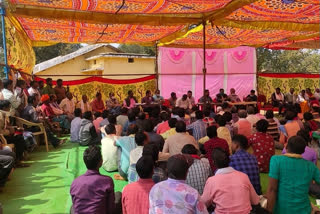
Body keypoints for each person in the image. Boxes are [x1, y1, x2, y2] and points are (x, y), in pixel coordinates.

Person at [267, 136, 320, 214]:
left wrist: (268, 211)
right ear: (303, 151)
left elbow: (272, 189)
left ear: (287, 147)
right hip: (304, 210)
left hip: (281, 210)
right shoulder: (310, 166)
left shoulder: (276, 160)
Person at [201, 148, 260, 214]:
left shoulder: (211, 181)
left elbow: (203, 203)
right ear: (229, 160)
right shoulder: (243, 176)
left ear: (213, 162)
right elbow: (255, 201)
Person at [70, 145, 118, 214]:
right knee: (118, 195)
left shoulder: (75, 182)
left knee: (72, 207)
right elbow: (111, 209)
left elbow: (75, 203)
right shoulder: (107, 181)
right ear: (100, 162)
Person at [0, 100, 28, 167]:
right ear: (4, 108)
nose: (10, 109)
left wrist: (15, 128)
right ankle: (18, 160)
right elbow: (1, 131)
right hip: (2, 138)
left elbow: (5, 127)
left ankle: (20, 157)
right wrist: (9, 131)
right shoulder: (0, 116)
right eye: (9, 107)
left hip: (5, 135)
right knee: (19, 139)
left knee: (19, 136)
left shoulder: (4, 115)